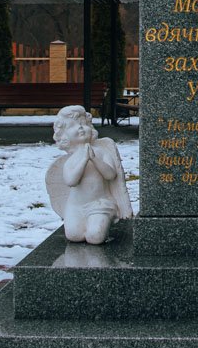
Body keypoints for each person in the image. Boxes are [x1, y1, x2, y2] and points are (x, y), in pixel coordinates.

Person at [44, 105, 133, 245]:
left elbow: (110, 175)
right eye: (73, 126)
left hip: (99, 204)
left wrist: (95, 159)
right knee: (74, 235)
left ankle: (101, 224)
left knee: (95, 236)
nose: (80, 128)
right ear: (65, 135)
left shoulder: (101, 151)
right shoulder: (70, 160)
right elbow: (71, 181)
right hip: (76, 206)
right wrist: (84, 160)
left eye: (83, 124)